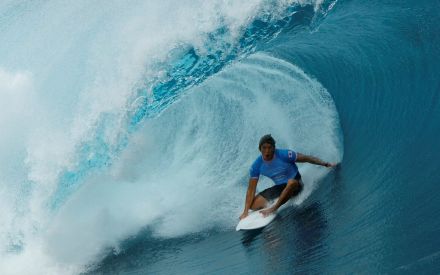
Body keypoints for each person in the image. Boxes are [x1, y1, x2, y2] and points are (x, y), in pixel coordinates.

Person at [239, 134, 336, 220]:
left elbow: (307, 158)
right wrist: (245, 211)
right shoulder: (256, 165)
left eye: (270, 147)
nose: (267, 151)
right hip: (280, 188)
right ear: (260, 148)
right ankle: (274, 202)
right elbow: (251, 190)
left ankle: (273, 208)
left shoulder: (284, 154)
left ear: (274, 148)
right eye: (264, 148)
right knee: (252, 205)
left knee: (291, 183)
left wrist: (325, 164)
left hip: (296, 184)